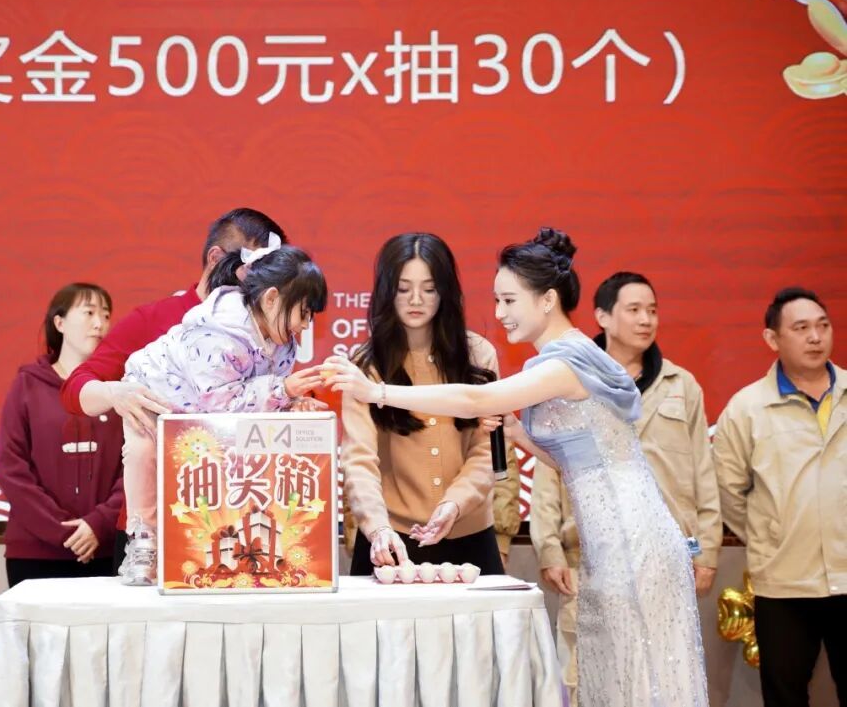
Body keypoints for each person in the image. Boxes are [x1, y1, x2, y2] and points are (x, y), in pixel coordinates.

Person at [325, 227, 708, 707]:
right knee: (617, 671)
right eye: (496, 300)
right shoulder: (557, 361)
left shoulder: (564, 363)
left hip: (631, 536)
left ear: (546, 300)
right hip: (610, 535)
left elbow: (476, 400)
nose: (500, 312)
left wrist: (377, 392)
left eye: (508, 300)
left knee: (642, 674)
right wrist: (518, 432)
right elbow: (568, 458)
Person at [530, 270, 721, 706]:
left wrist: (707, 551)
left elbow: (703, 473)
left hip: (666, 559)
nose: (646, 319)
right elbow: (549, 473)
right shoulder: (569, 376)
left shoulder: (681, 385)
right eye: (634, 309)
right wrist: (549, 549)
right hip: (593, 560)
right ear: (602, 316)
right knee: (590, 679)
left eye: (652, 310)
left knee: (665, 679)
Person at [59, 207, 287, 572]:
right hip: (153, 531)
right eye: (260, 269)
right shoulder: (154, 319)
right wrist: (116, 394)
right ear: (217, 258)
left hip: (238, 522)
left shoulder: (269, 334)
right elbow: (75, 389)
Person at [121, 244, 328, 581]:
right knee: (144, 455)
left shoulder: (282, 341)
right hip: (152, 394)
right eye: (302, 313)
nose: (305, 325)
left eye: (309, 317)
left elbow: (256, 400)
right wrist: (283, 390)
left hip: (202, 415)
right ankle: (144, 541)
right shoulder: (219, 334)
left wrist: (292, 403)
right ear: (271, 299)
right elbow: (220, 405)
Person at [340, 233, 512, 575]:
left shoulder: (479, 356)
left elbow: (486, 452)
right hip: (391, 539)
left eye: (429, 289)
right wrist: (377, 527)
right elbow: (359, 460)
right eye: (403, 289)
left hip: (468, 532)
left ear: (445, 292)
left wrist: (455, 504)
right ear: (386, 292)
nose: (416, 299)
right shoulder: (365, 364)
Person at [714, 287, 845, 707]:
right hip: (784, 582)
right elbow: (728, 490)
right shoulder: (747, 408)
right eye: (801, 328)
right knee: (784, 695)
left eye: (822, 326)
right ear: (772, 338)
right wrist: (771, 533)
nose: (815, 337)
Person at [0, 283, 124, 587]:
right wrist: (62, 531)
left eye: (106, 315)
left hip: (105, 548)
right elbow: (10, 466)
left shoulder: (118, 388)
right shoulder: (27, 385)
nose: (99, 324)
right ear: (59, 322)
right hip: (35, 552)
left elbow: (136, 467)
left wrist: (98, 524)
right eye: (89, 312)